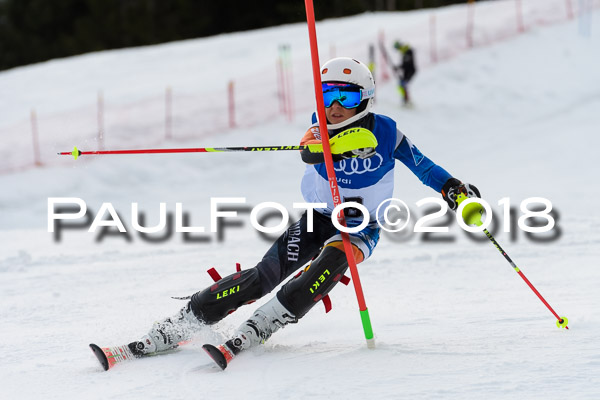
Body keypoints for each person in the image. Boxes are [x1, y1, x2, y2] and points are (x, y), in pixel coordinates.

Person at [90, 57, 480, 371]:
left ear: (366, 99)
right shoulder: (319, 127)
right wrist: (330, 149)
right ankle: (180, 324)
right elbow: (310, 152)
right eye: (327, 95)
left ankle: (264, 323)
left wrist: (454, 190)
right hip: (320, 216)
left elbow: (424, 167)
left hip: (362, 226)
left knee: (333, 259)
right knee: (263, 277)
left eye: (346, 97)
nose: (334, 107)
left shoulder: (386, 132)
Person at [393, 41, 417, 106]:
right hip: (407, 72)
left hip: (410, 71)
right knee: (401, 85)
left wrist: (398, 67)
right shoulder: (404, 53)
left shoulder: (408, 51)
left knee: (403, 85)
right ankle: (405, 99)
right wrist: (398, 67)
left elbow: (406, 64)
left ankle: (406, 100)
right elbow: (405, 64)